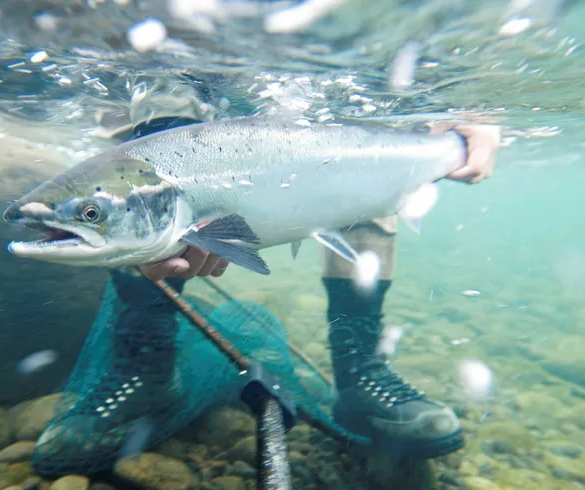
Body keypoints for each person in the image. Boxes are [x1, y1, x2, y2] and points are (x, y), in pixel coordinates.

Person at [134, 107, 502, 455]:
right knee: (157, 141)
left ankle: (359, 371)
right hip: (188, 81)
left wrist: (473, 122)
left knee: (350, 158)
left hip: (350, 76)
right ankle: (141, 367)